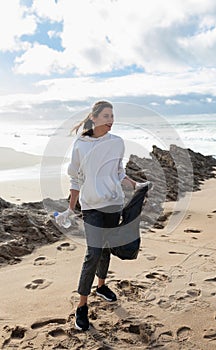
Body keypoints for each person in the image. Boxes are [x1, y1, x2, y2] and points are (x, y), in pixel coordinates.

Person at [56, 101, 150, 331]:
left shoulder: (117, 143)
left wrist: (135, 185)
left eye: (113, 116)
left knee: (106, 248)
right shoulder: (81, 145)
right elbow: (75, 179)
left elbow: (118, 172)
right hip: (91, 208)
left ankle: (101, 286)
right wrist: (71, 208)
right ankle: (82, 305)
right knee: (93, 253)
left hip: (114, 204)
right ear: (94, 118)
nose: (111, 120)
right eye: (106, 115)